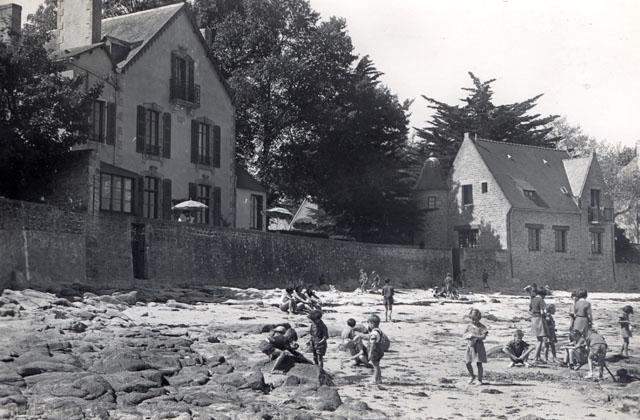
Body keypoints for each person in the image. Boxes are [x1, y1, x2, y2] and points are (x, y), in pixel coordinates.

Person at [464, 308, 488, 385]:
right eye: (472, 319)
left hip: (479, 346)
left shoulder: (482, 327)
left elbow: (484, 337)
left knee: (479, 363)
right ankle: (472, 376)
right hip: (470, 346)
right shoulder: (469, 326)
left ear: (479, 318)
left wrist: (475, 336)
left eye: (475, 319)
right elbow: (464, 334)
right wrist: (467, 336)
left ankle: (479, 379)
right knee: (467, 362)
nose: (473, 321)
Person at [366, 314, 386, 384]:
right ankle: (379, 379)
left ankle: (375, 380)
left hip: (375, 351)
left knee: (375, 366)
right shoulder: (378, 331)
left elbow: (373, 343)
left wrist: (370, 353)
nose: (368, 325)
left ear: (372, 323)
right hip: (379, 350)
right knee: (377, 365)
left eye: (369, 323)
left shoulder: (374, 333)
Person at [529, 286, 547, 363]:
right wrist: (546, 315)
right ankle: (535, 358)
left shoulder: (532, 300)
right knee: (540, 340)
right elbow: (542, 312)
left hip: (533, 319)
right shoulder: (541, 300)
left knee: (538, 339)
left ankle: (538, 357)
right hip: (539, 319)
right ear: (543, 294)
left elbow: (530, 310)